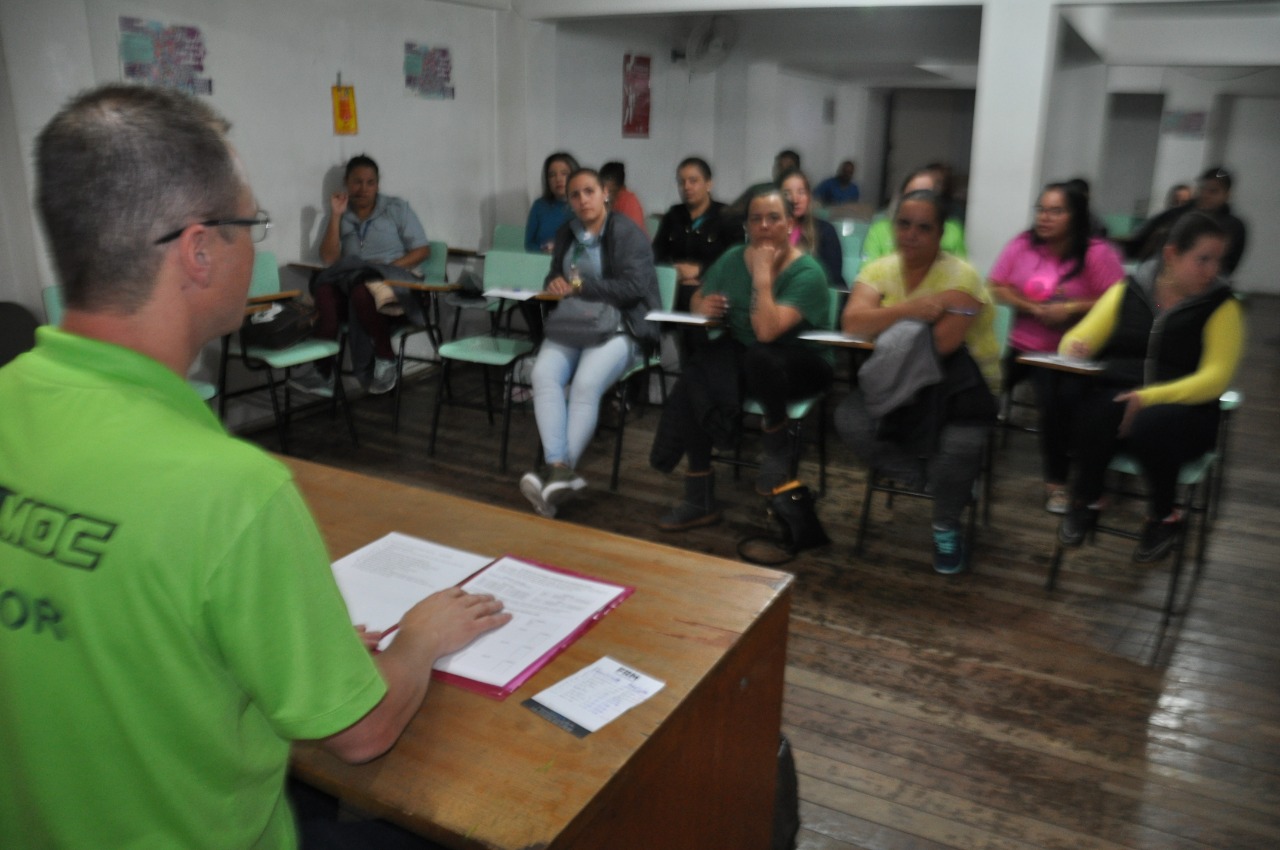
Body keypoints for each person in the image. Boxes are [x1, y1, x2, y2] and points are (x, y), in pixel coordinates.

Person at [0, 83, 511, 850]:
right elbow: (363, 732)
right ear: (200, 250)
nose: (254, 242)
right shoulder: (233, 492)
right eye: (251, 223)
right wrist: (420, 637)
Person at [1057, 212, 1244, 562]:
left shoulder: (1223, 307)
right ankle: (1088, 497)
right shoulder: (1127, 291)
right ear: (1171, 255)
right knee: (1089, 407)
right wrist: (1076, 345)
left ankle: (1163, 515)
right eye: (1203, 259)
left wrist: (1148, 397)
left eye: (1218, 260)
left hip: (1186, 412)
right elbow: (1077, 338)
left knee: (1151, 423)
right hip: (1121, 402)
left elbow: (1214, 379)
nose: (1212, 270)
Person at [835, 189, 1000, 575]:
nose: (911, 234)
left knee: (959, 444)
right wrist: (911, 309)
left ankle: (946, 525)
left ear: (941, 234)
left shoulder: (962, 277)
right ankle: (932, 484)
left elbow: (942, 344)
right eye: (904, 224)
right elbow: (852, 323)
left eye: (923, 228)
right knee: (850, 419)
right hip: (898, 382)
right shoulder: (880, 270)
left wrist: (884, 317)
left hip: (961, 387)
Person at [650, 187, 834, 530]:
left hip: (801, 364)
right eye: (756, 219)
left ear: (789, 222)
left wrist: (762, 278)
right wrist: (701, 305)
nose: (764, 225)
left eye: (773, 218)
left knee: (758, 357)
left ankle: (776, 439)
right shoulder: (734, 256)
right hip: (749, 356)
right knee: (696, 375)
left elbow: (766, 331)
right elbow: (697, 298)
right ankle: (699, 494)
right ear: (747, 224)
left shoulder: (807, 272)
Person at [520, 168, 661, 518]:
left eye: (589, 192)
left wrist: (581, 287)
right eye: (575, 195)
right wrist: (554, 281)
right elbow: (556, 272)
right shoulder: (567, 232)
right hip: (577, 323)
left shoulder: (627, 232)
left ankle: (556, 473)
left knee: (584, 384)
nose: (583, 200)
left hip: (622, 325)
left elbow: (634, 288)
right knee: (542, 375)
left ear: (605, 194)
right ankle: (558, 468)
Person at [989, 182, 1125, 514]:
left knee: (1054, 403)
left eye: (1056, 211)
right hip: (1023, 347)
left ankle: (1057, 484)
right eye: (1041, 209)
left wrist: (1071, 308)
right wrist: (1031, 307)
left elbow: (1118, 299)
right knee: (980, 386)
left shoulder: (1096, 252)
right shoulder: (1022, 245)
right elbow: (996, 286)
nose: (1045, 217)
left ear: (1075, 216)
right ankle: (968, 468)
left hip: (1068, 355)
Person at [294, 154, 432, 396]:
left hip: (392, 287)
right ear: (347, 183)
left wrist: (384, 270)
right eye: (357, 182)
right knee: (325, 290)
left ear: (378, 185)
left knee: (362, 288)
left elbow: (422, 250)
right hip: (352, 284)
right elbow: (328, 259)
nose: (363, 189)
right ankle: (323, 371)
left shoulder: (396, 208)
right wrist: (336, 215)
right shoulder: (340, 213)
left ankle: (385, 357)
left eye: (370, 182)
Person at [651, 156, 742, 311]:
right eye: (681, 182)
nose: (686, 187)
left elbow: (736, 262)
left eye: (693, 181)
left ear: (708, 184)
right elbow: (656, 254)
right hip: (674, 288)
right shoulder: (673, 215)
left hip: (713, 292)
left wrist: (701, 271)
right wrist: (675, 272)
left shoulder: (727, 217)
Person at [1124, 166, 1248, 276]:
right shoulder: (1177, 214)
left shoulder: (1233, 227)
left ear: (1227, 194)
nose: (1206, 195)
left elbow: (1227, 266)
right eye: (1203, 189)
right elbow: (1144, 237)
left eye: (1213, 191)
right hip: (1162, 277)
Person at [861, 167, 968, 263]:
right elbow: (867, 276)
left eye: (925, 195)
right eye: (912, 195)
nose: (918, 201)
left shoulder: (953, 231)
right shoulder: (880, 229)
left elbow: (962, 277)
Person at [778, 168, 844, 287]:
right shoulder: (770, 231)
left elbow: (833, 280)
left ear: (809, 196)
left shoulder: (825, 231)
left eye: (801, 192)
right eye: (787, 194)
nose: (795, 200)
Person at [525, 151, 579, 253]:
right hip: (541, 262)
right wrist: (543, 249)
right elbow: (529, 244)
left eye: (564, 174)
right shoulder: (539, 206)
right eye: (552, 175)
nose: (558, 179)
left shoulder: (583, 206)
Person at [600, 160, 646, 231]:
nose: (606, 195)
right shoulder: (605, 200)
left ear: (620, 188)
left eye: (610, 191)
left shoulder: (628, 202)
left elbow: (629, 235)